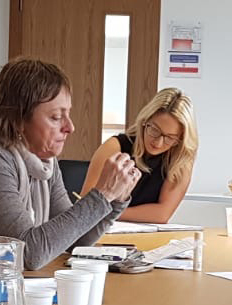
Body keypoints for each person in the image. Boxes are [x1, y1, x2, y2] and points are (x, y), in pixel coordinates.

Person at [0, 58, 138, 271]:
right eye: (56, 117)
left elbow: (76, 241)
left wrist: (116, 200)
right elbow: (28, 253)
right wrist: (102, 195)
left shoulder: (44, 161)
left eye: (68, 114)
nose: (70, 127)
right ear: (18, 119)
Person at [79, 87, 198, 222]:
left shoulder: (181, 160)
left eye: (170, 138)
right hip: (101, 228)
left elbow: (162, 214)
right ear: (144, 122)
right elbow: (86, 205)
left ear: (181, 139)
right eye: (155, 130)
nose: (158, 143)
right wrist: (106, 213)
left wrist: (109, 212)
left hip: (141, 232)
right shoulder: (114, 146)